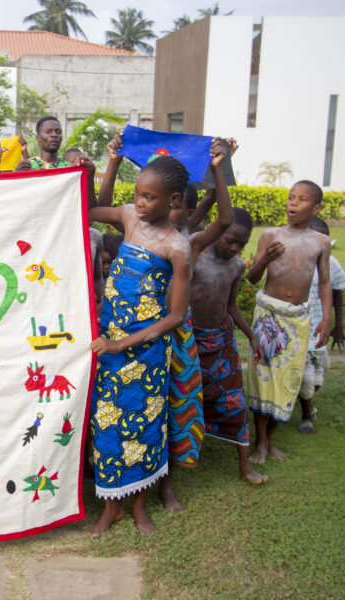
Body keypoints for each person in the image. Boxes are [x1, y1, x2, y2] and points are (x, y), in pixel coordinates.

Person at [88, 135, 192, 536]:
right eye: (137, 195)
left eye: (150, 197)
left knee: (146, 427)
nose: (141, 203)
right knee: (108, 426)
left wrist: (122, 344)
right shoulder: (130, 218)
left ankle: (139, 506)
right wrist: (110, 163)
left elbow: (176, 315)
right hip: (110, 343)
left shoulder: (177, 247)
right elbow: (94, 209)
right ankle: (111, 508)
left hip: (146, 351)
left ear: (174, 200)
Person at [157, 138, 233, 513]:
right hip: (142, 330)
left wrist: (219, 168)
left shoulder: (192, 244)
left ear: (188, 214)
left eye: (176, 207)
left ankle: (167, 486)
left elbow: (224, 221)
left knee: (178, 404)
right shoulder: (138, 235)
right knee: (147, 408)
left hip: (179, 335)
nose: (167, 211)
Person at [246, 180, 332, 464]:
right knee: (263, 378)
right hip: (268, 318)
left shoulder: (320, 242)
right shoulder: (270, 235)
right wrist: (264, 259)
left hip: (298, 320)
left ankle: (269, 440)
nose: (293, 203)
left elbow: (325, 281)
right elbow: (252, 278)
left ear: (316, 208)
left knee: (289, 380)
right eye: (291, 197)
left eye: (301, 199)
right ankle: (260, 443)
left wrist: (326, 317)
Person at [191, 207, 267, 484]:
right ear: (217, 229)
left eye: (241, 245)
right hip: (190, 341)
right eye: (230, 240)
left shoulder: (237, 267)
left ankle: (244, 466)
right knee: (187, 400)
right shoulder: (195, 256)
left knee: (234, 401)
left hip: (222, 342)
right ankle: (181, 458)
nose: (234, 248)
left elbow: (231, 305)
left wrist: (251, 335)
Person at [297, 216, 345, 434]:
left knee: (319, 375)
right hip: (298, 330)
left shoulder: (331, 263)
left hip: (319, 331)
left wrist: (338, 327)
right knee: (306, 377)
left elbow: (337, 292)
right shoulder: (294, 260)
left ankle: (303, 399)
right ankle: (307, 415)